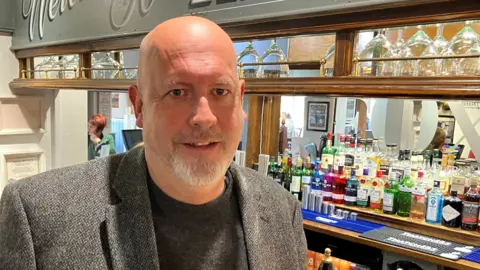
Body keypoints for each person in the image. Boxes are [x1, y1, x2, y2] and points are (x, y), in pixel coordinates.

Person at [0, 16, 307, 269]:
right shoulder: (38, 215)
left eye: (220, 91)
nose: (204, 118)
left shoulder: (283, 211)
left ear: (241, 98)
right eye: (177, 92)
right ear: (139, 106)